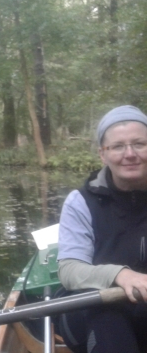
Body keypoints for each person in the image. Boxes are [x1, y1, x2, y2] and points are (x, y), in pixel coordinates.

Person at [57, 105, 147, 353]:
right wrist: (121, 275)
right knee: (110, 324)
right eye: (117, 146)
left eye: (139, 144)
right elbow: (69, 270)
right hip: (97, 308)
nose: (130, 154)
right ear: (103, 155)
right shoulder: (80, 202)